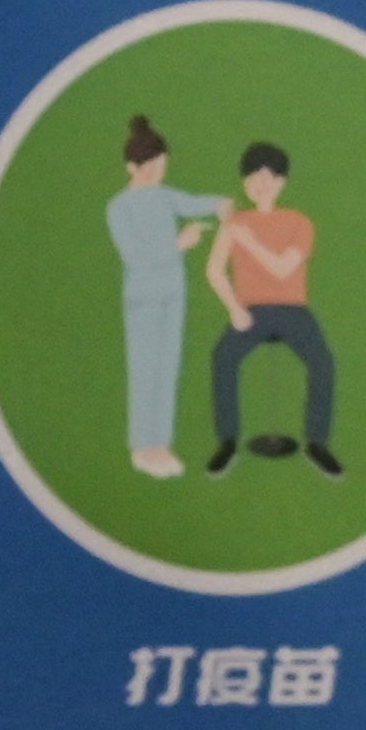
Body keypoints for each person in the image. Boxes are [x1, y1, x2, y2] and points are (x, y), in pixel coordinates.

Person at [203, 139, 341, 479]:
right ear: (244, 182)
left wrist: (249, 241)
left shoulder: (299, 222)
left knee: (323, 363)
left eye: (268, 177)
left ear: (282, 182)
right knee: (223, 358)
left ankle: (317, 443)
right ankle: (228, 442)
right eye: (252, 177)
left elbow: (283, 269)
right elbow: (214, 270)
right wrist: (234, 308)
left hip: (293, 309)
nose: (260, 184)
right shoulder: (234, 223)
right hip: (250, 310)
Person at [97, 116, 221, 481]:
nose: (157, 175)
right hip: (143, 297)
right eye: (150, 169)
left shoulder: (165, 197)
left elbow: (193, 202)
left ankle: (161, 443)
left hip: (173, 294)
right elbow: (136, 257)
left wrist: (221, 205)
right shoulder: (118, 207)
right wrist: (179, 244)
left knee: (168, 367)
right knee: (144, 368)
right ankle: (142, 446)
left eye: (162, 167)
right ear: (132, 167)